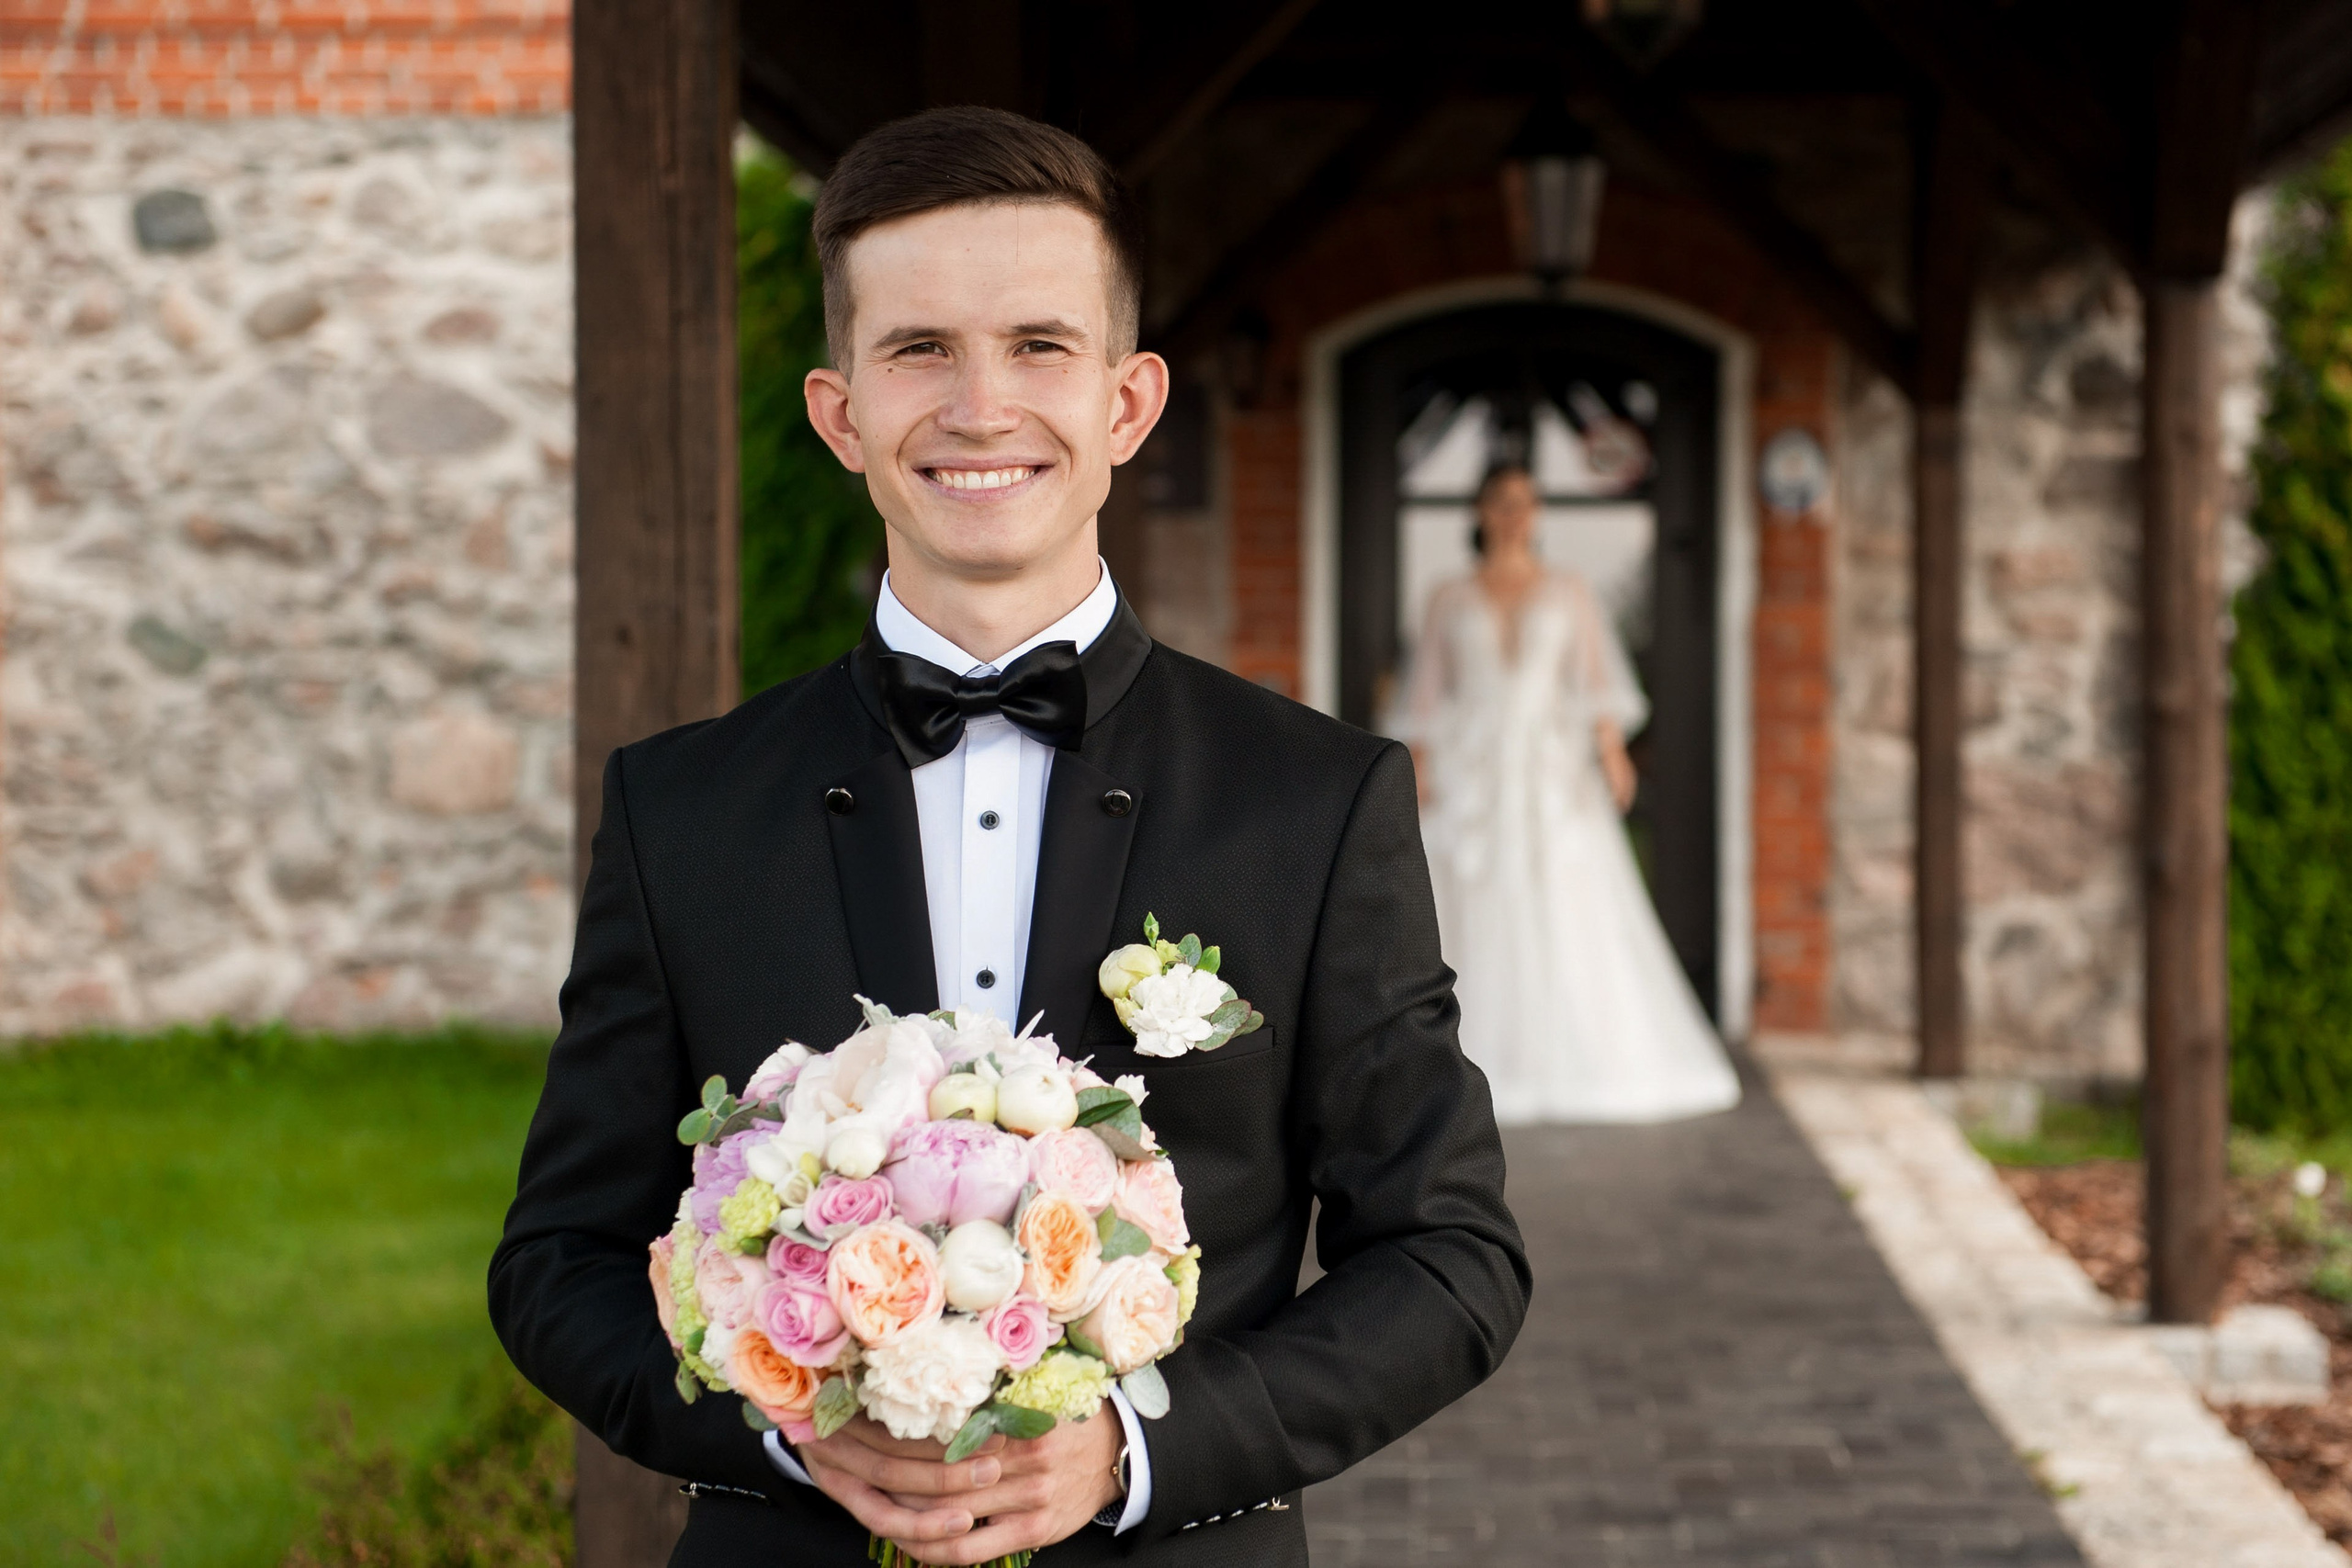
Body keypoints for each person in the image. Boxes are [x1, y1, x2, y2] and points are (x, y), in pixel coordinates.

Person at [489, 107, 1528, 1567]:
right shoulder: (683, 808)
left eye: (1040, 344)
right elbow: (557, 1263)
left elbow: (1451, 1257)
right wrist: (785, 1417)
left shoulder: (1315, 798)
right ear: (841, 411)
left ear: (1127, 400)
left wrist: (1140, 1450)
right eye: (920, 349)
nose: (981, 407)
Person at [1399, 463, 1742, 1124]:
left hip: (1551, 765)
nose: (1512, 514)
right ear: (1478, 510)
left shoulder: (1568, 589)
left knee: (1567, 896)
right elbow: (1425, 690)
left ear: (1538, 512)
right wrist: (1420, 762)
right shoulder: (1447, 593)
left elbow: (1592, 677)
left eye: (1525, 503)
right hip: (1472, 766)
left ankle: (1573, 1052)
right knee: (1471, 898)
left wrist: (1612, 752)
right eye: (1500, 501)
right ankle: (1467, 1059)